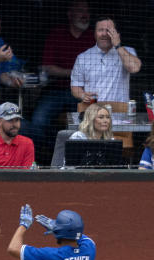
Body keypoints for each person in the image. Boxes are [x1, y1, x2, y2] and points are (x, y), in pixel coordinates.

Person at [30, 0, 95, 155]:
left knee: (87, 123)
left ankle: (78, 158)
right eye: (80, 10)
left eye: (87, 11)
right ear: (70, 14)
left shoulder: (93, 38)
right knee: (38, 120)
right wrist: (74, 74)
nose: (85, 15)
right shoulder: (57, 34)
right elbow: (47, 67)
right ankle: (47, 156)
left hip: (82, 94)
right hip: (56, 91)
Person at [70, 17, 141, 105]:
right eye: (100, 30)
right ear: (95, 33)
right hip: (93, 114)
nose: (104, 34)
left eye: (108, 30)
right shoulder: (83, 57)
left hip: (120, 114)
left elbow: (134, 68)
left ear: (117, 34)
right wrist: (82, 95)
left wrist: (118, 46)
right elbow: (75, 86)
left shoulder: (127, 51)